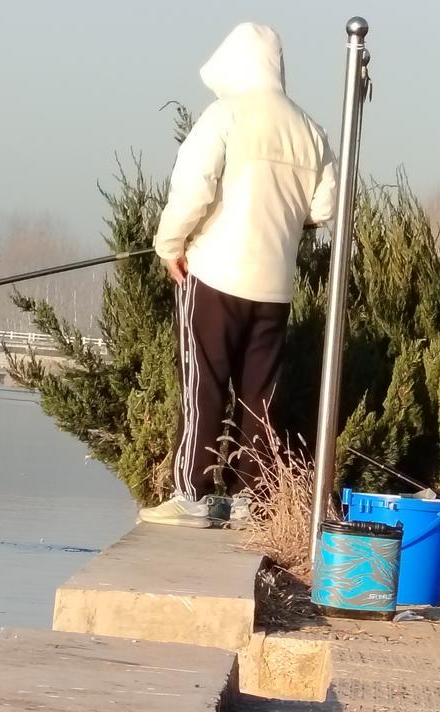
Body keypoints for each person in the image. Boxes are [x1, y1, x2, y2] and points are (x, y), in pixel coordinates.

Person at [139, 22, 337, 529]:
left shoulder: (224, 114)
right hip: (275, 287)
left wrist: (169, 245)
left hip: (214, 274)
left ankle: (191, 494)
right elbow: (324, 207)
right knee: (260, 396)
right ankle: (254, 500)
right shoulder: (310, 130)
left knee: (203, 383)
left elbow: (193, 186)